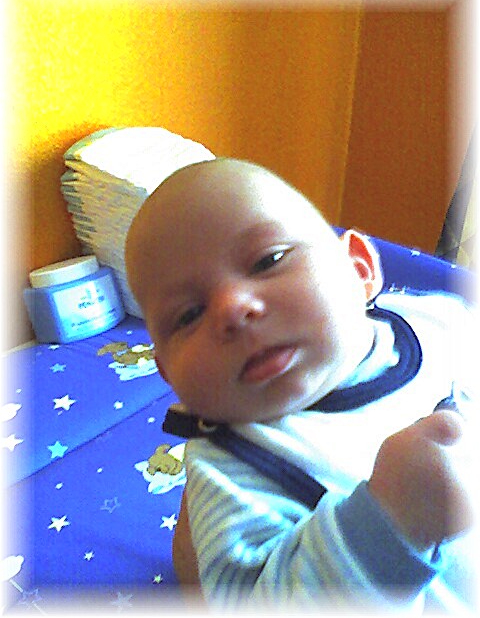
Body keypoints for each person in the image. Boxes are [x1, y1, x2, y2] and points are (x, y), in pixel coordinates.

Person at [125, 158, 477, 613]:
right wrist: (389, 527)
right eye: (188, 315)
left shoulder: (441, 322)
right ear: (169, 374)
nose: (232, 308)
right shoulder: (235, 469)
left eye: (267, 261)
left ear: (359, 268)